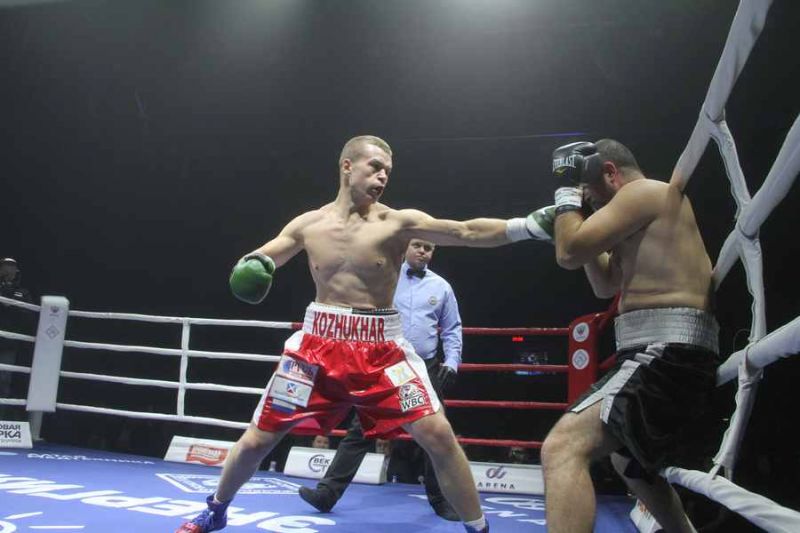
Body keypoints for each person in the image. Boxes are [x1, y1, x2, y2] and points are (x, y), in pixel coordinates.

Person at [176, 135, 553, 533]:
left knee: (438, 434)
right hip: (315, 350)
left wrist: (525, 227)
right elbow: (265, 255)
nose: (383, 176)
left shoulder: (397, 223)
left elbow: (465, 232)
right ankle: (215, 510)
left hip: (382, 353)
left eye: (387, 170)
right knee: (259, 439)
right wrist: (250, 266)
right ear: (347, 167)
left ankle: (479, 528)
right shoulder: (309, 224)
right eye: (375, 167)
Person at [541, 140, 720, 533]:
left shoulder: (643, 193)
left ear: (610, 172)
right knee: (628, 461)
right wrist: (578, 220)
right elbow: (605, 285)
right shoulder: (636, 215)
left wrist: (566, 200)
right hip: (660, 350)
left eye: (588, 189)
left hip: (667, 349)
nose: (587, 197)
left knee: (562, 447)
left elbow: (568, 253)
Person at [298, 238, 463, 521]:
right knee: (361, 428)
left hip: (424, 366)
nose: (423, 251)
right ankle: (327, 493)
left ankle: (441, 500)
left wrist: (451, 362)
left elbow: (452, 328)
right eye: (418, 245)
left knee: (435, 435)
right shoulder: (385, 277)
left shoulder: (441, 286)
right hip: (385, 363)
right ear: (405, 247)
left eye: (429, 248)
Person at [0, 258, 33, 420]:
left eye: (11, 267)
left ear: (16, 271)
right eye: (5, 267)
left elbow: (28, 315)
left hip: (9, 342)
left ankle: (0, 419)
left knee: (4, 380)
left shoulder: (22, 292)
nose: (8, 270)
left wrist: (12, 304)